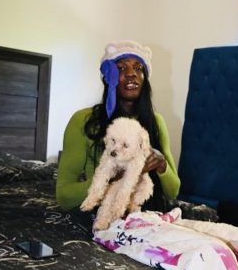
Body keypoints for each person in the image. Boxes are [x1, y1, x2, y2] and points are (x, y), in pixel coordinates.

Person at [56, 40, 180, 215]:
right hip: (103, 214)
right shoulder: (84, 120)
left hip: (151, 213)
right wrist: (114, 174)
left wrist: (162, 165)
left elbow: (173, 192)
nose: (131, 74)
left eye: (138, 68)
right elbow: (64, 197)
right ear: (109, 77)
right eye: (121, 68)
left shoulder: (156, 122)